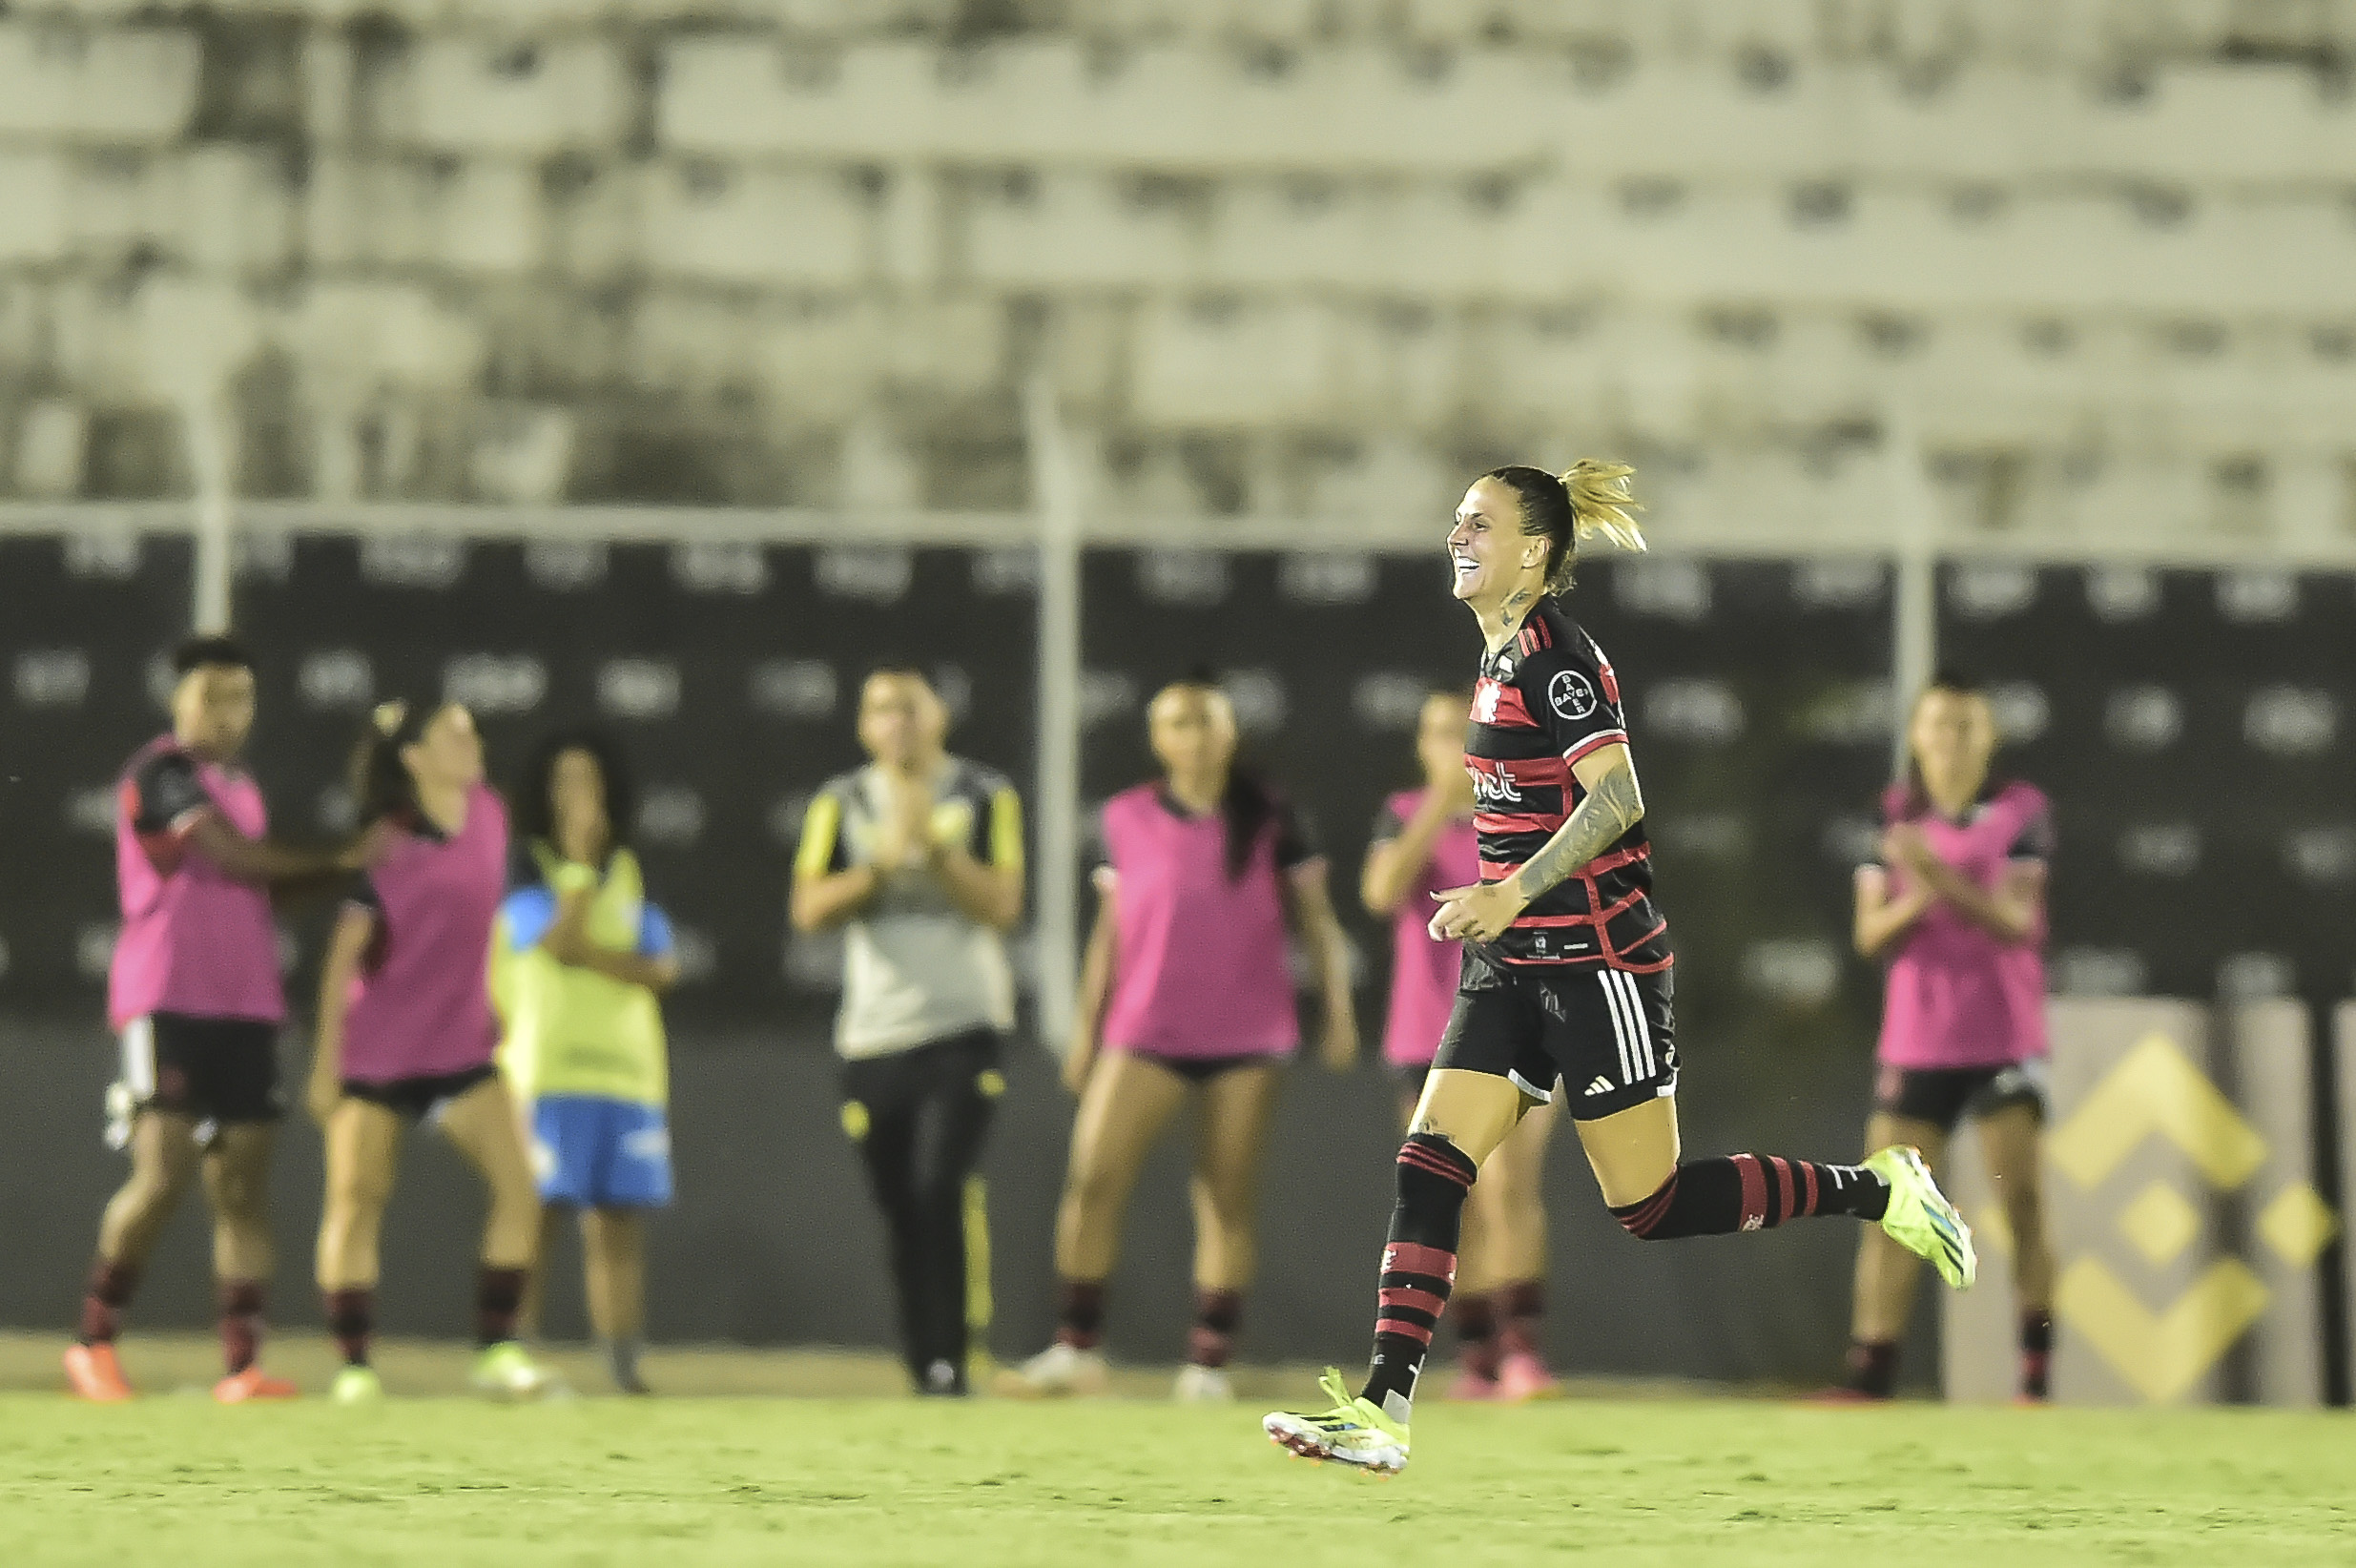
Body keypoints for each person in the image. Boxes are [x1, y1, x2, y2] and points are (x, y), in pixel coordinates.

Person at [1265, 463, 1974, 1474]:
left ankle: (1882, 1193)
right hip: (1511, 969)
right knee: (1429, 1163)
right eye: (1456, 519)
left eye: (1481, 522)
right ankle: (1381, 1411)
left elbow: (1619, 799)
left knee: (1650, 1205)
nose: (1457, 534)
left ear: (1536, 553)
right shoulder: (1495, 654)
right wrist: (1505, 912)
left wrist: (1510, 890)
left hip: (1601, 965)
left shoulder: (1555, 656)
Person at [1002, 678, 1359, 1403]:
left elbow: (1317, 921)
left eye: (1205, 720)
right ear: (1158, 739)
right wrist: (1086, 1030)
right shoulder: (1127, 816)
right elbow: (1111, 932)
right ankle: (1076, 1348)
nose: (1192, 735)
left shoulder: (1271, 813)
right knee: (1093, 1178)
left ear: (1229, 732)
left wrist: (1340, 1012)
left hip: (1248, 1035)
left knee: (1226, 1197)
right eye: (1176, 722)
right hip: (1145, 1030)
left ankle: (1207, 1363)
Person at [66, 634, 381, 1403]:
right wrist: (347, 860)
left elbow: (260, 884)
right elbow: (234, 858)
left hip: (246, 1006)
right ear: (179, 700)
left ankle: (242, 1366)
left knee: (242, 1189)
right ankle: (93, 1344)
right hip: (166, 1000)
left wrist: (360, 874)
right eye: (211, 694)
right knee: (163, 1176)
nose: (226, 711)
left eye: (240, 697)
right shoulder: (163, 774)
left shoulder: (241, 785)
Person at [306, 700, 551, 1403]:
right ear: (413, 757)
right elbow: (341, 958)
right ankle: (354, 1366)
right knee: (356, 1200)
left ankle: (497, 1349)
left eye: (473, 729)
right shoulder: (385, 842)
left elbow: (484, 921)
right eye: (452, 734)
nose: (471, 742)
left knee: (520, 1187)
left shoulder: (492, 815)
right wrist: (327, 1065)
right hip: (376, 1054)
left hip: (460, 1049)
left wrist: (492, 995)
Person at [791, 668, 1024, 1397]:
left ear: (938, 720)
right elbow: (809, 908)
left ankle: (956, 1357)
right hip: (874, 1034)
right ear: (865, 726)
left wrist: (938, 850)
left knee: (942, 1186)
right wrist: (881, 866)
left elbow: (1004, 905)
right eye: (883, 710)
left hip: (963, 1025)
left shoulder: (985, 795)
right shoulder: (842, 801)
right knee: (897, 1201)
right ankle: (919, 1358)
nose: (899, 723)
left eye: (912, 709)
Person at [1836, 673, 2055, 1402]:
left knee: (2019, 1199)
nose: (1950, 740)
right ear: (1917, 736)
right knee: (1891, 1205)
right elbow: (1870, 933)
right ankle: (1872, 1375)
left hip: (2003, 1038)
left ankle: (2034, 1374)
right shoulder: (1892, 816)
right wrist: (1927, 892)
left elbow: (2015, 923)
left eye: (1964, 725)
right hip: (1917, 1040)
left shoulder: (2020, 814)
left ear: (1986, 737)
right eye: (1937, 725)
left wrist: (1932, 878)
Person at [1364, 685, 1563, 1403]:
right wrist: (1435, 809)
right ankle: (1477, 1357)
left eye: (1463, 732)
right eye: (1438, 733)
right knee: (1455, 1195)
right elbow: (1382, 892)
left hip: (1517, 1029)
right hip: (1425, 1035)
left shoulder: (1526, 817)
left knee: (1510, 1190)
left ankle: (1522, 1352)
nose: (1452, 746)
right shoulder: (1402, 815)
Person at [494, 728, 681, 1396]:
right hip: (548, 1071)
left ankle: (624, 1365)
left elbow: (661, 967)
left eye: (591, 781)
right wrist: (576, 866)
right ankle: (515, 1355)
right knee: (538, 1217)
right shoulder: (526, 864)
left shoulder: (629, 867)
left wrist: (603, 961)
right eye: (566, 781)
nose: (581, 796)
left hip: (626, 1074)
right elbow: (554, 941)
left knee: (618, 1225)